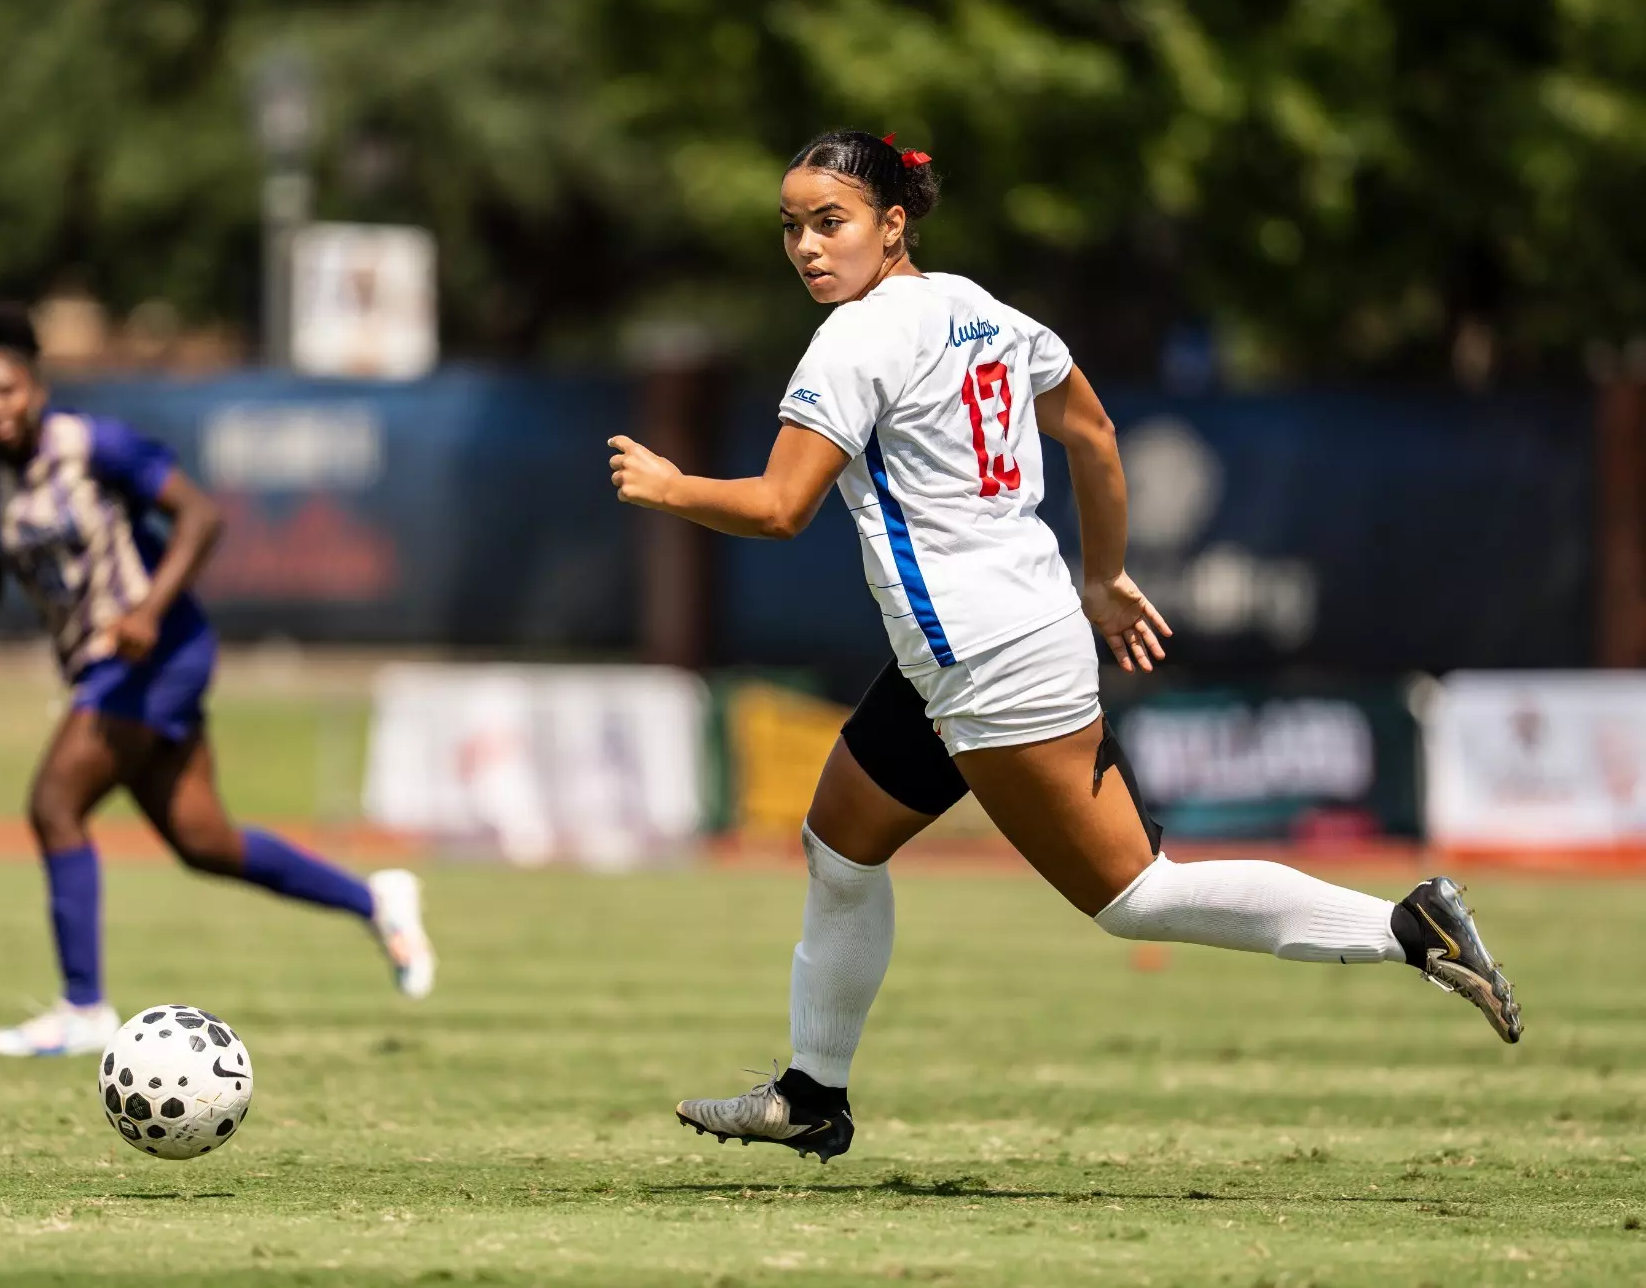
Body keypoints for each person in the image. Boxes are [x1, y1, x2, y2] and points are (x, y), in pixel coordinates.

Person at [605, 131, 1520, 1163]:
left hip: (980, 658)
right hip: (982, 638)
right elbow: (1090, 434)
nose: (807, 247)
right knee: (839, 847)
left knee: (1135, 895)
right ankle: (813, 1091)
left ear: (891, 224)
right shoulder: (987, 312)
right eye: (791, 227)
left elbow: (778, 508)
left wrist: (670, 485)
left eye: (830, 222)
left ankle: (1407, 928)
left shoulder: (855, 340)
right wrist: (1103, 573)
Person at [0, 302, 435, 1058]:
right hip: (101, 662)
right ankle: (375, 900)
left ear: (34, 384)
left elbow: (200, 517)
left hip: (159, 648)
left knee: (54, 802)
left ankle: (84, 1007)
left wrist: (146, 608)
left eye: (6, 390)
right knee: (206, 841)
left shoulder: (92, 446)